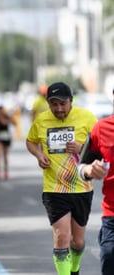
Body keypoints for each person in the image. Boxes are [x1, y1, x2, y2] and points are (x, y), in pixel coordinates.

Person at [26, 81, 98, 275]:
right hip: (54, 188)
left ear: (71, 101)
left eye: (62, 104)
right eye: (54, 104)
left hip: (82, 187)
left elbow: (101, 148)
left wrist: (82, 148)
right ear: (48, 103)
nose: (58, 108)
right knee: (61, 236)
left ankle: (74, 269)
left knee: (78, 241)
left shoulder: (87, 118)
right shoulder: (42, 120)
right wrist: (39, 155)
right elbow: (31, 141)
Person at [77, 88, 114, 275]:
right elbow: (80, 167)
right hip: (112, 215)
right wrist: (89, 170)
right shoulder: (101, 128)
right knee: (109, 257)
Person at [0, 105, 16, 180]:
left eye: (2, 109)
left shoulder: (7, 116)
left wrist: (9, 118)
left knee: (5, 155)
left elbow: (14, 123)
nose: (0, 111)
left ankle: (6, 172)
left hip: (6, 137)